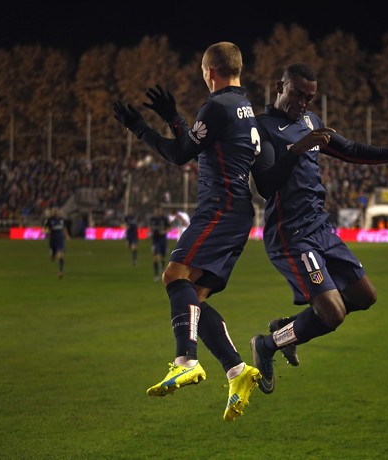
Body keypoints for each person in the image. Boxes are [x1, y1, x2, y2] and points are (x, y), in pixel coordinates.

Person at [249, 62, 388, 394]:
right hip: (291, 236)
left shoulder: (311, 122)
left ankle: (288, 329)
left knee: (365, 296)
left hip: (320, 229)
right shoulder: (263, 128)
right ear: (278, 87)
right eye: (297, 94)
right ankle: (267, 345)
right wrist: (297, 149)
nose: (303, 103)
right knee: (333, 313)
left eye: (309, 97)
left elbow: (351, 150)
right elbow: (266, 186)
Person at [113, 41, 267, 421]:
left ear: (209, 72)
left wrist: (139, 128)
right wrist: (175, 119)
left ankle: (186, 360)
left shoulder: (215, 106)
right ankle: (236, 370)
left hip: (220, 208)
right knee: (194, 300)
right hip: (237, 211)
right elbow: (196, 145)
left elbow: (180, 154)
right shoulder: (245, 109)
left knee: (173, 274)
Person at [43, 207, 70, 279]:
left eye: (57, 211)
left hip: (60, 239)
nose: (56, 212)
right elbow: (45, 229)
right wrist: (46, 232)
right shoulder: (49, 220)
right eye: (54, 211)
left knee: (61, 255)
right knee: (52, 258)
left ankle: (61, 271)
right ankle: (52, 254)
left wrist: (67, 236)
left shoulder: (62, 220)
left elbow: (64, 228)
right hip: (53, 240)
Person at [148, 205, 170, 281]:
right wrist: (150, 232)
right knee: (155, 258)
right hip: (155, 240)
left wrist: (164, 231)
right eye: (156, 211)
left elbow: (169, 227)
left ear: (161, 211)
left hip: (163, 239)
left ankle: (163, 266)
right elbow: (150, 228)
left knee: (163, 256)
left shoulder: (164, 218)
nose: (157, 212)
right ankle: (156, 275)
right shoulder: (152, 219)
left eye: (159, 211)